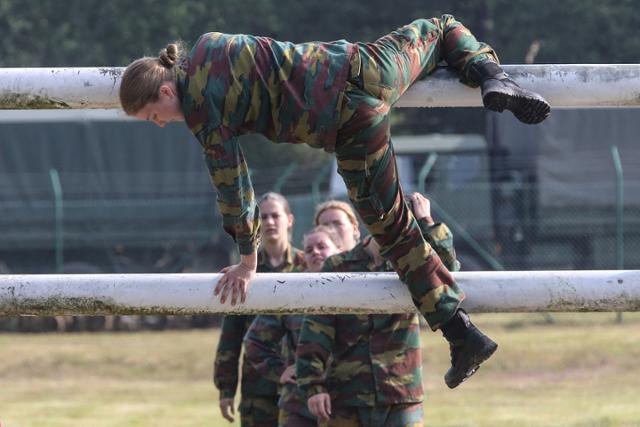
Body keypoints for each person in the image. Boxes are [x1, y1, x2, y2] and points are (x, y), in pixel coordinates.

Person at [120, 15, 548, 387]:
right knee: (440, 29)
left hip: (349, 125)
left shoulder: (201, 114)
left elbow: (234, 188)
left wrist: (248, 259)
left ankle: (461, 334)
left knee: (395, 230)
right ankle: (492, 75)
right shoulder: (211, 44)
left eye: (154, 117)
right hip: (365, 67)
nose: (161, 125)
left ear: (165, 93)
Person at [295, 193, 458, 426]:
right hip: (347, 395)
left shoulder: (412, 262)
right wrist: (313, 385)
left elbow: (449, 272)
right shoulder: (338, 265)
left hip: (401, 392)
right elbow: (317, 326)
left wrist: (427, 222)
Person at [213, 193, 305, 426]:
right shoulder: (243, 272)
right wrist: (226, 388)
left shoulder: (308, 267)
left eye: (276, 215)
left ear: (290, 219)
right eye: (263, 217)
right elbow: (231, 334)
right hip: (258, 385)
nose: (270, 222)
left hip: (301, 383)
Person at [244, 225, 344, 427]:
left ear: (339, 250)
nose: (315, 252)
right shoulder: (292, 289)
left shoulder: (358, 287)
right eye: (308, 250)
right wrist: (280, 371)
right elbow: (254, 341)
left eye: (322, 246)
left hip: (345, 403)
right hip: (299, 406)